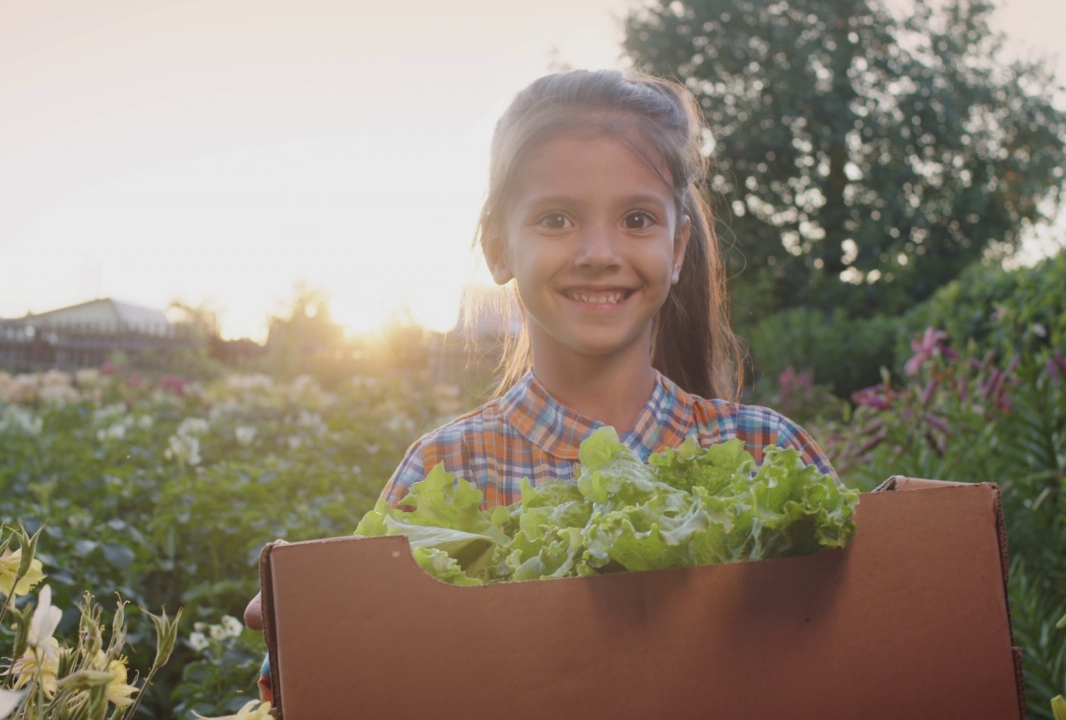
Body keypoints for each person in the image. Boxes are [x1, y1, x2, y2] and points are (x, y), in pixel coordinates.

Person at [244, 67, 837, 702]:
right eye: (556, 219)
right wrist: (313, 627)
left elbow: (856, 648)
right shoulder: (451, 468)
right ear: (499, 246)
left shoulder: (763, 450)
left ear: (679, 245)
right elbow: (327, 690)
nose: (599, 252)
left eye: (638, 218)